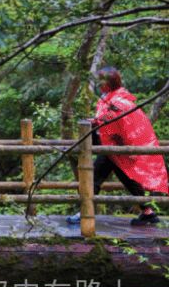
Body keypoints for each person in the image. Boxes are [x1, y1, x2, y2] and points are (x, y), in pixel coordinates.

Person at [68, 67, 168, 226]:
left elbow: (123, 125)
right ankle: (148, 213)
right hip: (112, 147)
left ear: (110, 82)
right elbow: (105, 120)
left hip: (115, 147)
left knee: (93, 177)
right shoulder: (108, 99)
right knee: (128, 180)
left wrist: (128, 148)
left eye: (103, 81)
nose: (99, 84)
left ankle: (85, 212)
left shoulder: (118, 102)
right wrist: (94, 121)